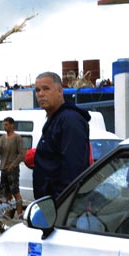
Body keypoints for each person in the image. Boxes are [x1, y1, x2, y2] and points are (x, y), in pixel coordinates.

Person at [33, 71, 91, 200]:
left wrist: (61, 203)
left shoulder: (70, 121)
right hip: (49, 203)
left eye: (46, 89)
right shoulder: (54, 120)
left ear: (60, 91)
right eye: (37, 90)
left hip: (63, 204)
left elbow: (73, 169)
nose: (41, 94)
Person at [0, 117, 26, 218]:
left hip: (13, 170)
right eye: (4, 125)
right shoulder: (3, 138)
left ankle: (19, 214)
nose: (4, 127)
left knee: (15, 192)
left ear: (12, 125)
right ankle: (9, 212)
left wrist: (13, 164)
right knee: (7, 193)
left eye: (6, 125)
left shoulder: (17, 138)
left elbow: (22, 154)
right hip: (4, 168)